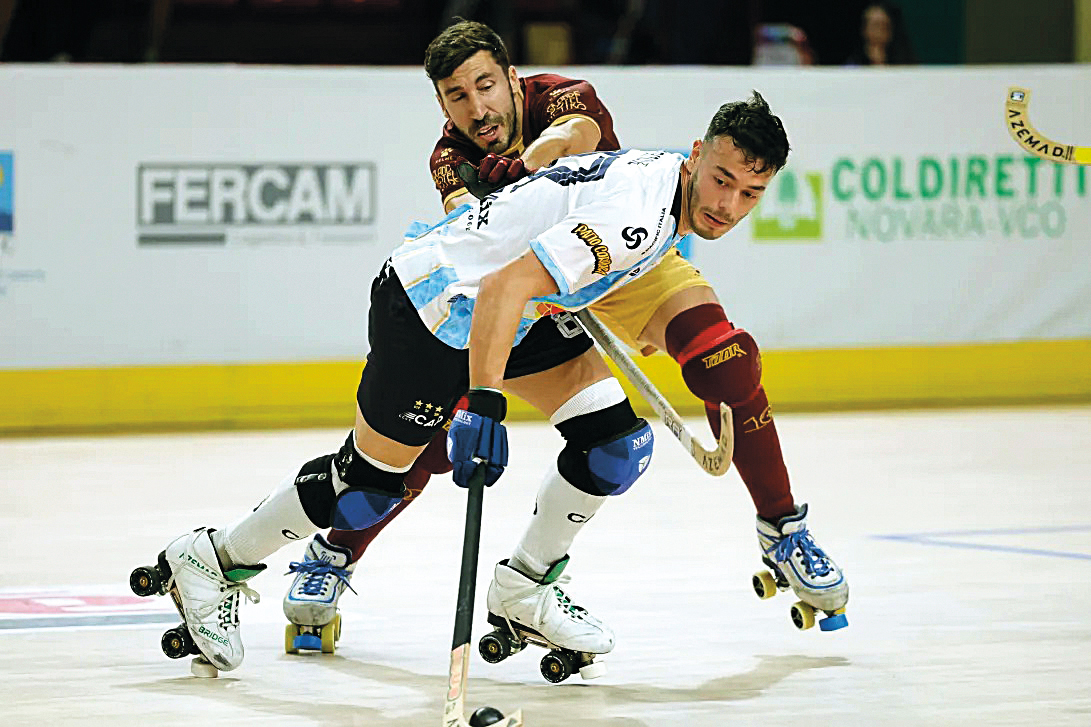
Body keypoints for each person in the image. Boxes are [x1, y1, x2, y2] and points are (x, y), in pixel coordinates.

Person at [135, 92, 800, 675]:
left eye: (749, 193)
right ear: (696, 155)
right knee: (367, 487)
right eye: (720, 179)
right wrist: (482, 401)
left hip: (512, 314)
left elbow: (540, 276)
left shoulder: (660, 186)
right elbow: (504, 286)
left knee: (612, 443)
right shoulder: (638, 214)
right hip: (434, 306)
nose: (727, 204)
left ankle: (524, 588)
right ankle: (212, 558)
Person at [283, 19, 849, 647]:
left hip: (624, 251)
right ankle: (333, 554)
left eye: (486, 86)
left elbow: (575, 133)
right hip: (532, 283)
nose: (478, 107)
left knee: (728, 365)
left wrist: (528, 162)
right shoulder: (450, 156)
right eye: (457, 96)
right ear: (440, 103)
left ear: (511, 80)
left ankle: (783, 527)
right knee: (429, 443)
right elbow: (470, 234)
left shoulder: (559, 94)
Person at [845, 2, 915, 67]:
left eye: (884, 26)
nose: (879, 30)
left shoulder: (904, 62)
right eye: (876, 25)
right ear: (865, 29)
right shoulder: (854, 65)